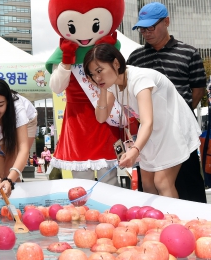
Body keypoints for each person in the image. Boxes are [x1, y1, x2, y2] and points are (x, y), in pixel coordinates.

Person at [84, 43, 201, 198]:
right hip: (151, 132)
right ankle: (152, 221)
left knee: (163, 182)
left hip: (172, 128)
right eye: (92, 74)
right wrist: (103, 89)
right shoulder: (111, 84)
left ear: (116, 63)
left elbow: (147, 122)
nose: (97, 78)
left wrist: (134, 151)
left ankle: (171, 221)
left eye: (99, 71)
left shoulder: (140, 79)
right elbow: (101, 117)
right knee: (147, 184)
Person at [127, 2, 207, 203]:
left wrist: (178, 112)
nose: (146, 32)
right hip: (150, 133)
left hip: (179, 130)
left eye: (150, 27)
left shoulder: (188, 53)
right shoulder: (135, 57)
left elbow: (198, 89)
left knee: (187, 183)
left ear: (167, 22)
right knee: (151, 184)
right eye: (142, 28)